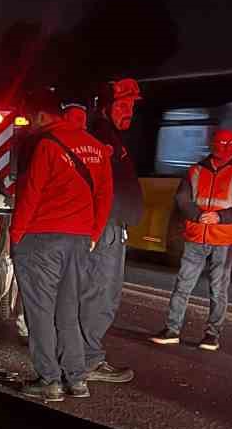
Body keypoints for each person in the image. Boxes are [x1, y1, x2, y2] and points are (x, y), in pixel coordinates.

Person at [10, 88, 113, 401]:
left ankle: (49, 379)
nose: (31, 123)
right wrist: (92, 235)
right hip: (80, 240)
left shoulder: (47, 144)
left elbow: (31, 195)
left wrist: (15, 237)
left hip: (41, 238)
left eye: (32, 118)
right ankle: (77, 379)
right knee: (68, 310)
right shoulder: (97, 148)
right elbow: (104, 198)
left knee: (39, 312)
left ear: (44, 116)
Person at [152, 128, 232, 352]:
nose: (227, 147)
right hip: (196, 236)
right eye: (222, 143)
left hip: (224, 239)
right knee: (184, 285)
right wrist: (199, 215)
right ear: (212, 144)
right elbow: (182, 199)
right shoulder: (195, 171)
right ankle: (173, 330)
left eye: (231, 143)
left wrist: (219, 217)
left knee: (217, 289)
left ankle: (211, 334)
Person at [79, 78, 143, 384]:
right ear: (105, 106)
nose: (128, 111)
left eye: (131, 105)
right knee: (100, 293)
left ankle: (80, 356)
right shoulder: (101, 136)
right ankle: (86, 360)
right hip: (105, 226)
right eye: (122, 105)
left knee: (101, 292)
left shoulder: (110, 136)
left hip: (110, 224)